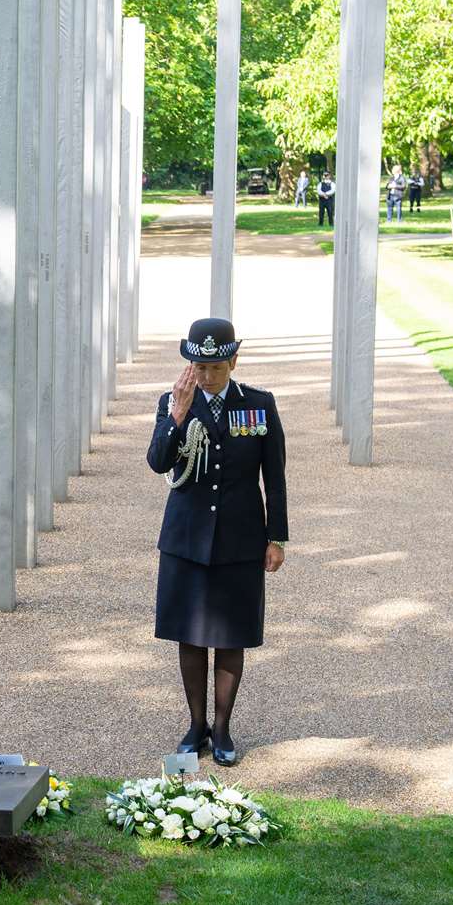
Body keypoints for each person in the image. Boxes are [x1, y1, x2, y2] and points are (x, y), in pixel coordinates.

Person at [148, 318, 287, 768]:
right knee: (190, 636)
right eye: (198, 367)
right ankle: (195, 724)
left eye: (213, 367)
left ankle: (223, 727)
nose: (205, 376)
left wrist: (276, 537)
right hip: (186, 538)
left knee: (231, 637)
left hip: (240, 539)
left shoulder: (259, 405)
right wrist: (177, 416)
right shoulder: (174, 402)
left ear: (232, 361)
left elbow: (275, 477)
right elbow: (157, 462)